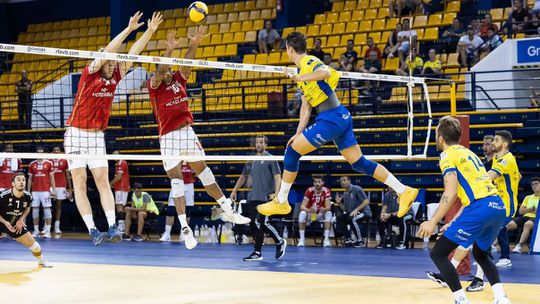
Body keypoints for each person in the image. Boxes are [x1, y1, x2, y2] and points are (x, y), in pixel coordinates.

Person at [256, 32, 418, 221]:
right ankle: (403, 190)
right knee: (359, 163)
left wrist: (300, 78)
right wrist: (298, 133)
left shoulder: (309, 62)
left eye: (286, 48)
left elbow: (325, 71)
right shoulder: (302, 72)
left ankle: (282, 202)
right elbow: (306, 107)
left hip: (331, 119)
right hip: (339, 118)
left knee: (291, 153)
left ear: (289, 49)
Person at [64, 11, 163, 245]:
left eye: (113, 61)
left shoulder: (115, 74)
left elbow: (133, 53)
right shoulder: (89, 75)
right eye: (109, 60)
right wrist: (128, 29)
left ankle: (111, 227)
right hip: (76, 134)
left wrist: (149, 31)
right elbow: (109, 51)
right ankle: (92, 230)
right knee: (79, 183)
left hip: (97, 136)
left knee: (101, 181)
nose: (113, 63)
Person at [148, 28, 250, 250]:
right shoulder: (154, 87)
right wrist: (170, 49)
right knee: (177, 183)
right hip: (168, 137)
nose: (168, 72)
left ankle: (228, 210)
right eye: (165, 70)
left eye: (170, 70)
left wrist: (193, 43)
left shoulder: (178, 81)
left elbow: (188, 62)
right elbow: (162, 68)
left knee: (204, 172)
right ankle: (185, 229)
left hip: (186, 132)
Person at [419, 116, 510, 304]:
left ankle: (461, 300)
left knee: (438, 254)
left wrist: (432, 221)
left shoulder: (447, 155)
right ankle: (501, 297)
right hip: (497, 206)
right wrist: (453, 222)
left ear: (440, 138)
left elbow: (451, 192)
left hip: (479, 208)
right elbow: (472, 193)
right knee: (480, 254)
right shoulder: (469, 153)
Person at [227, 136, 284, 261]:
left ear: (266, 145)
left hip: (266, 197)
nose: (259, 144)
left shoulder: (270, 159)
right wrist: (234, 190)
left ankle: (277, 242)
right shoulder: (251, 159)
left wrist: (277, 193)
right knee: (253, 223)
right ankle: (258, 251)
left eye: (261, 142)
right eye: (257, 142)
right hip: (253, 197)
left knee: (261, 222)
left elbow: (278, 176)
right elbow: (243, 176)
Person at [0, 172, 52, 268]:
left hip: (14, 224)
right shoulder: (3, 196)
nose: (21, 182)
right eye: (18, 180)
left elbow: (27, 208)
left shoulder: (28, 197)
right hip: (1, 221)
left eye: (23, 180)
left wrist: (21, 219)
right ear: (13, 184)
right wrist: (4, 222)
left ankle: (41, 262)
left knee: (36, 247)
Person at [160, 163, 196, 242]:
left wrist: (194, 170)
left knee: (187, 210)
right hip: (177, 183)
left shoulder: (191, 158)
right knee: (171, 210)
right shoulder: (175, 159)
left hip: (189, 184)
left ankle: (184, 234)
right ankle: (167, 233)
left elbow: (196, 172)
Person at [334, 176, 372, 247]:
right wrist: (339, 203)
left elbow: (366, 201)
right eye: (341, 181)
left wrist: (356, 210)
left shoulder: (357, 189)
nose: (342, 182)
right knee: (339, 218)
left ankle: (361, 241)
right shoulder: (345, 194)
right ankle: (348, 239)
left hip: (365, 213)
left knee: (353, 219)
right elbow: (345, 210)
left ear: (349, 181)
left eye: (344, 180)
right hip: (352, 214)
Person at [505, 177, 539, 254]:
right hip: (525, 217)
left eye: (536, 184)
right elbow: (521, 211)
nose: (534, 186)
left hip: (536, 219)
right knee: (508, 224)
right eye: (532, 184)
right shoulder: (528, 197)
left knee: (527, 224)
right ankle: (494, 244)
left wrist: (527, 209)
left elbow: (538, 212)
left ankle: (519, 245)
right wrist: (532, 209)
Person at [28, 147, 56, 238]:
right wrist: (28, 191)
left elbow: (52, 177)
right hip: (35, 191)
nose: (40, 154)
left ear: (44, 153)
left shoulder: (49, 163)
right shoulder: (32, 164)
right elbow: (30, 179)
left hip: (45, 191)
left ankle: (47, 232)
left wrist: (54, 189)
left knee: (47, 211)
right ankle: (36, 231)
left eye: (41, 152)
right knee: (35, 211)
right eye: (38, 152)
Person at [297, 175, 332, 247]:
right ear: (313, 183)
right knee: (302, 213)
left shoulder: (326, 191)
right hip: (311, 215)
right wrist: (309, 210)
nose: (317, 184)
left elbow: (328, 207)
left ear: (323, 182)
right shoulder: (309, 190)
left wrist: (324, 209)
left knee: (328, 213)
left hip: (320, 215)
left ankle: (326, 240)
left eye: (319, 182)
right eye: (315, 182)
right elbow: (302, 206)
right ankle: (302, 239)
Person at [50, 146, 72, 234]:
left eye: (58, 150)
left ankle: (56, 227)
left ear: (60, 151)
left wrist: (70, 188)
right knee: (47, 206)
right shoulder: (49, 160)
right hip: (50, 186)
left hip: (61, 185)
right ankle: (46, 226)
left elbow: (67, 174)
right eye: (54, 150)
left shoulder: (64, 160)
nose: (56, 151)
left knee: (58, 206)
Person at [110, 151, 130, 233]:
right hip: (119, 188)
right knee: (119, 206)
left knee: (119, 206)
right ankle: (122, 226)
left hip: (122, 188)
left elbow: (119, 177)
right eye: (113, 155)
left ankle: (121, 227)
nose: (114, 156)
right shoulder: (118, 163)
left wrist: (109, 184)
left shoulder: (122, 162)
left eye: (116, 155)